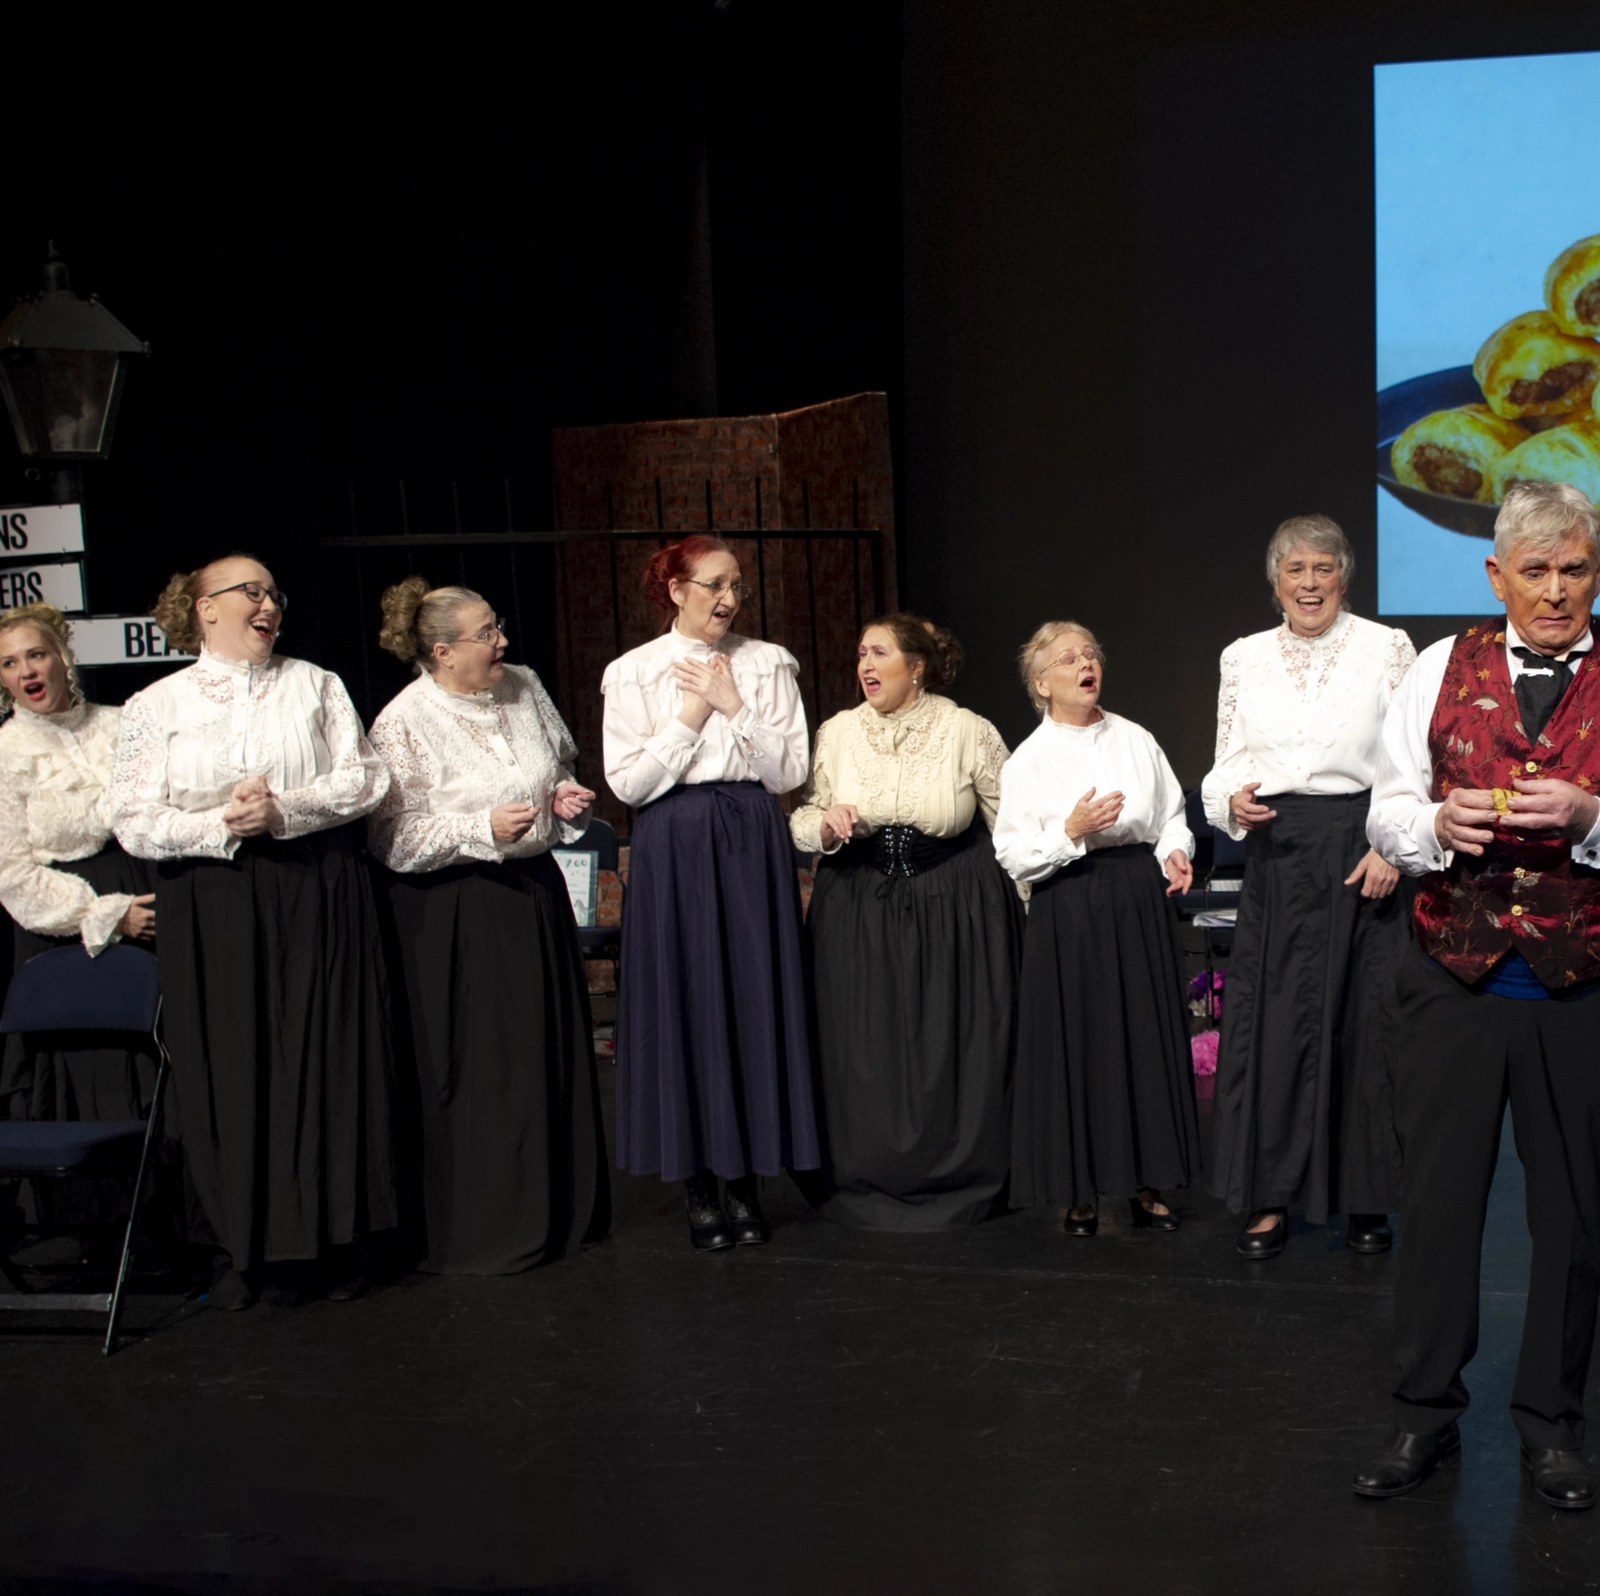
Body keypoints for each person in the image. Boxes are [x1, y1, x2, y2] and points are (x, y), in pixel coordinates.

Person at [1355, 481, 1600, 1511]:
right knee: (1438, 1205)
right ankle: (1423, 1414)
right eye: (1534, 570)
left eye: (1574, 568)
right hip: (1452, 978)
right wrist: (1430, 828)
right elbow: (1384, 806)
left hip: (1576, 987)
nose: (1555, 590)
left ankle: (1549, 1423)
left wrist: (1590, 816)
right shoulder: (1436, 666)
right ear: (1494, 573)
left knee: (1573, 1218)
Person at [111, 554, 395, 1310]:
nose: (268, 604)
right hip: (214, 897)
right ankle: (245, 1250)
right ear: (203, 608)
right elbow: (133, 819)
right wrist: (221, 822)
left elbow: (367, 778)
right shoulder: (154, 706)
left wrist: (284, 811)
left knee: (322, 1058)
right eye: (251, 592)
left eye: (274, 593)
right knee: (234, 1065)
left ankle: (336, 1243)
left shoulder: (317, 684)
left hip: (313, 885)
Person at [367, 577, 609, 1273]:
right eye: (485, 634)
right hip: (455, 910)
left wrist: (562, 799)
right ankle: (488, 1227)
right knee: (485, 1071)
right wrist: (479, 826)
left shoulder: (523, 686)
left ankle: (559, 1212)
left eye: (498, 626)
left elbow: (554, 763)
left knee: (543, 1054)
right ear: (442, 651)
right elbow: (391, 839)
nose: (502, 642)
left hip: (532, 894)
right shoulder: (404, 720)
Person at [1201, 515, 1417, 1260]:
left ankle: (1365, 1199)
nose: (1311, 582)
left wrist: (1391, 842)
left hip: (1362, 850)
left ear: (1345, 578)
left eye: (1324, 568)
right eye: (1296, 569)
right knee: (1272, 1026)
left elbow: (1411, 759)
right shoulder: (1244, 657)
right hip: (1278, 855)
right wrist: (1229, 800)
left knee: (1365, 1025)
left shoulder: (1386, 648)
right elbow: (1228, 758)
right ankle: (1269, 1194)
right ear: (1275, 582)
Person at [601, 533, 818, 1251]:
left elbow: (788, 771)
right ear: (675, 591)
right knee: (688, 1000)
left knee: (752, 997)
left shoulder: (766, 664)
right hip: (674, 842)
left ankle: (748, 1179)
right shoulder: (633, 674)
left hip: (751, 836)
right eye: (713, 585)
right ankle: (698, 1181)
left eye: (736, 586)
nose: (728, 599)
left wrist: (733, 706)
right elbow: (629, 784)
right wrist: (693, 714)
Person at [789, 613, 1022, 1229]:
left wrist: (1029, 905)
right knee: (863, 1044)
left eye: (880, 653)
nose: (865, 664)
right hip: (859, 903)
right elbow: (804, 817)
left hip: (952, 904)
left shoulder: (967, 730)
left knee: (951, 1041)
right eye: (861, 653)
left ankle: (964, 1175)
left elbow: (1014, 826)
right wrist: (826, 825)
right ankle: (860, 1175)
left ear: (916, 668)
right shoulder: (838, 732)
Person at [994, 621, 1197, 1234]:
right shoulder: (1029, 759)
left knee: (1141, 1038)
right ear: (1041, 682)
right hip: (1070, 903)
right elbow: (1013, 854)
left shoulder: (1135, 738)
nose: (1085, 664)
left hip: (1136, 896)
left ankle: (1147, 1181)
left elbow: (1171, 816)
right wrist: (1070, 830)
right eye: (1067, 659)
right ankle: (1078, 1191)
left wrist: (1175, 853)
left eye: (1090, 655)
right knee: (1079, 1043)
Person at [0, 604, 158, 1125]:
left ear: (64, 658)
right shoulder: (5, 752)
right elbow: (13, 877)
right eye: (8, 663)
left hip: (155, 905)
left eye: (36, 654)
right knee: (97, 1083)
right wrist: (109, 916)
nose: (25, 671)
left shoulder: (123, 723)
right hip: (68, 932)